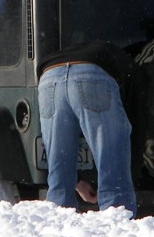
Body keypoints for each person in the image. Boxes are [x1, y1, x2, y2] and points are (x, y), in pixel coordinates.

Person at [37, 41, 138, 217]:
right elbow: (130, 129)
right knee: (111, 156)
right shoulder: (132, 67)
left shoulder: (84, 49)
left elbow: (62, 155)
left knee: (57, 161)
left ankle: (58, 226)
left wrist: (78, 182)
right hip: (92, 73)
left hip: (49, 77)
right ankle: (117, 218)